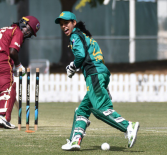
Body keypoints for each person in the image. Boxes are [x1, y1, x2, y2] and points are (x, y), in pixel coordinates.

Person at [54, 11, 139, 151]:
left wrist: (72, 66)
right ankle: (75, 141)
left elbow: (80, 56)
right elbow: (99, 60)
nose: (64, 26)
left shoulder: (76, 36)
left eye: (66, 23)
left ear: (74, 23)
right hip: (100, 74)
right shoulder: (87, 37)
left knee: (100, 109)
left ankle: (128, 126)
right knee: (82, 110)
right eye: (61, 24)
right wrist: (103, 85)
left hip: (94, 75)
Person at [0, 16, 40, 129]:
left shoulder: (3, 29)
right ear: (23, 23)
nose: (27, 33)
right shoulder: (17, 31)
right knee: (8, 88)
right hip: (1, 60)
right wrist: (19, 65)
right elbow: (12, 51)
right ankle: (1, 116)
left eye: (30, 32)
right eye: (28, 29)